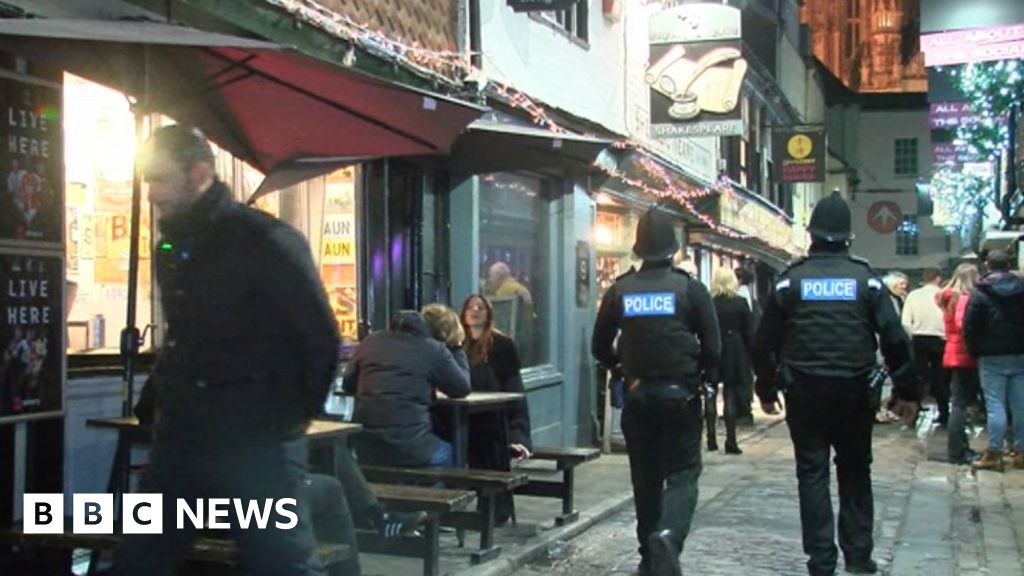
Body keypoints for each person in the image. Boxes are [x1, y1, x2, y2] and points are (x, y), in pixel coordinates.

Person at [116, 125, 341, 576]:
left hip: (254, 442)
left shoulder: (264, 241)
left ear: (199, 173)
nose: (152, 193)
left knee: (281, 564)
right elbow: (184, 337)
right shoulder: (170, 246)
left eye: (160, 179)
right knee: (140, 559)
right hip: (183, 437)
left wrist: (283, 423)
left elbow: (319, 337)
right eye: (147, 180)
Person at [754, 191, 918, 576]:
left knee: (811, 472)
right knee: (855, 471)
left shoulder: (789, 282)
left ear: (811, 235)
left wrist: (767, 387)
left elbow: (764, 342)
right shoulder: (867, 281)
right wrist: (906, 390)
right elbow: (894, 338)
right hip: (855, 391)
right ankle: (858, 557)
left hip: (804, 391)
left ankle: (821, 560)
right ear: (848, 237)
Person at [592, 205, 721, 576]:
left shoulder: (620, 290)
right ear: (673, 248)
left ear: (638, 248)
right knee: (683, 473)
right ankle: (668, 535)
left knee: (645, 479)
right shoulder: (690, 288)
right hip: (681, 394)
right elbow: (713, 347)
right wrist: (704, 376)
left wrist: (620, 365)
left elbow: (599, 346)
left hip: (638, 395)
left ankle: (649, 558)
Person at [342, 310, 470, 468]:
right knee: (451, 453)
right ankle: (445, 484)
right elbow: (461, 388)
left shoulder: (370, 342)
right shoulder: (432, 349)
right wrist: (457, 348)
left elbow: (348, 384)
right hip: (411, 447)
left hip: (365, 447)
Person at [457, 294, 533, 524]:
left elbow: (515, 391)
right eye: (471, 307)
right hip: (462, 416)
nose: (475, 311)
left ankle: (495, 508)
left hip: (493, 416)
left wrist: (518, 435)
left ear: (488, 313)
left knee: (491, 441)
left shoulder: (502, 345)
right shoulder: (456, 344)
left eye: (480, 307)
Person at [963, 249, 1024, 472]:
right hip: (1019, 353)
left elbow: (970, 325)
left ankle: (994, 453)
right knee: (1020, 404)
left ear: (988, 265)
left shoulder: (980, 292)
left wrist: (975, 350)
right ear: (1009, 265)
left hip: (990, 355)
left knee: (995, 404)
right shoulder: (1022, 289)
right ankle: (1021, 451)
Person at [704, 267, 754, 455]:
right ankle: (731, 440)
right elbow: (749, 331)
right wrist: (752, 357)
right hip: (735, 350)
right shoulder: (740, 302)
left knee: (710, 392)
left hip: (713, 348)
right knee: (730, 395)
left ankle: (711, 438)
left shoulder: (709, 303)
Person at [936, 263, 981, 465]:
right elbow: (963, 325)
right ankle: (958, 451)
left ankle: (959, 448)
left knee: (958, 403)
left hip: (954, 352)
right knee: (960, 404)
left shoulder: (949, 298)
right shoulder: (962, 298)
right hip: (963, 353)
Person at [902, 267, 949, 426]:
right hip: (941, 340)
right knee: (941, 377)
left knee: (919, 377)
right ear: (938, 278)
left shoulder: (913, 295)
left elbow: (905, 322)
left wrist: (913, 334)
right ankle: (944, 413)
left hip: (919, 339)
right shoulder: (943, 294)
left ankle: (913, 413)